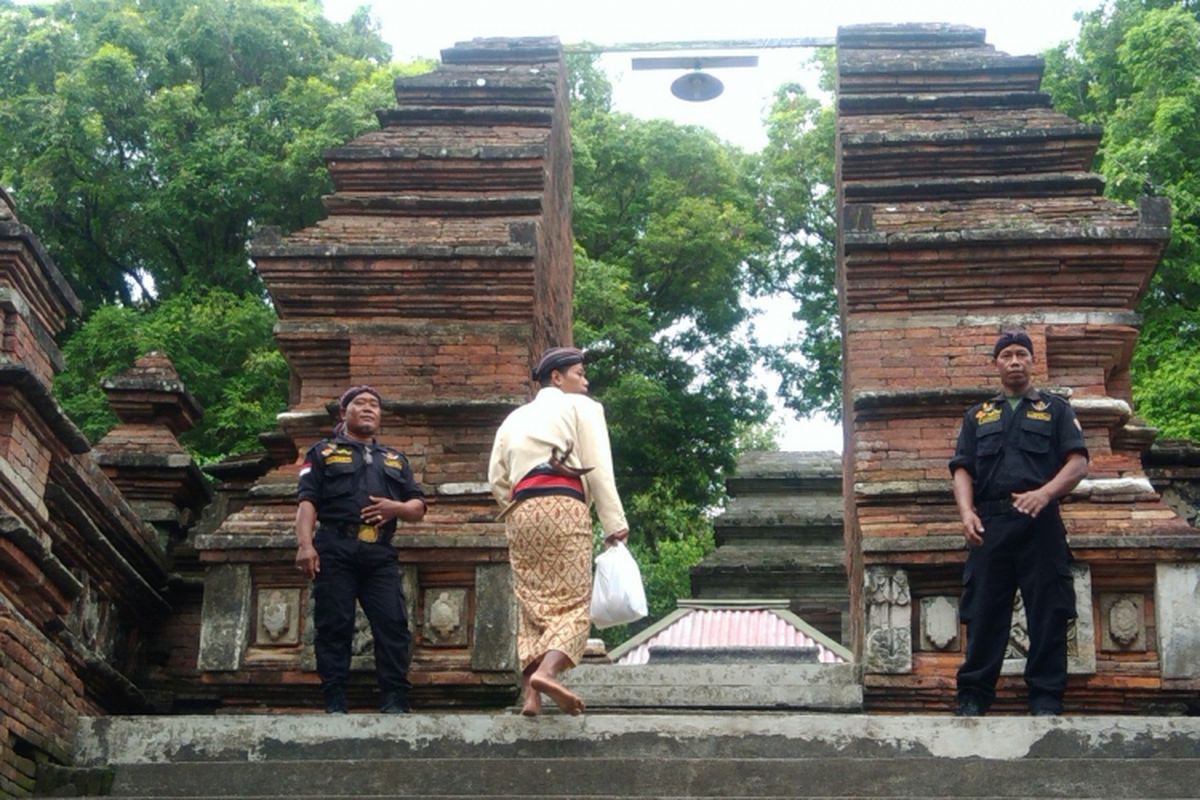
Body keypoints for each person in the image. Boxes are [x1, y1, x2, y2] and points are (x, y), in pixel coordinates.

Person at [949, 329, 1089, 717]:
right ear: (996, 364)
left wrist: (1044, 494)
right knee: (983, 610)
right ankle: (974, 695)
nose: (1014, 361)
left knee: (1048, 609)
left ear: (1032, 362)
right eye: (1007, 355)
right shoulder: (978, 415)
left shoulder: (1055, 410)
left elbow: (1078, 463)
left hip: (1040, 523)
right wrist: (966, 513)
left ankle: (1046, 697)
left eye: (1021, 354)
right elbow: (962, 469)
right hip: (989, 524)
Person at [488, 346, 629, 716]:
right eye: (579, 373)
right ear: (557, 377)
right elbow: (598, 466)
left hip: (521, 513)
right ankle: (549, 674)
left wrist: (518, 506)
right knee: (572, 605)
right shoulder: (584, 408)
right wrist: (614, 523)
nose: (585, 381)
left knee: (533, 606)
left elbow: (496, 480)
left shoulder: (513, 419)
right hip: (563, 505)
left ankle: (531, 696)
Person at [294, 385, 426, 714]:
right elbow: (307, 501)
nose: (368, 409)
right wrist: (305, 545)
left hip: (379, 552)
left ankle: (395, 697)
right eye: (360, 404)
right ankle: (335, 698)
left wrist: (395, 508)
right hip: (335, 546)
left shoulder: (395, 460)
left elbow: (418, 506)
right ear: (344, 413)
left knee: (393, 623)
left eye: (374, 406)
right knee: (334, 623)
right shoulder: (322, 453)